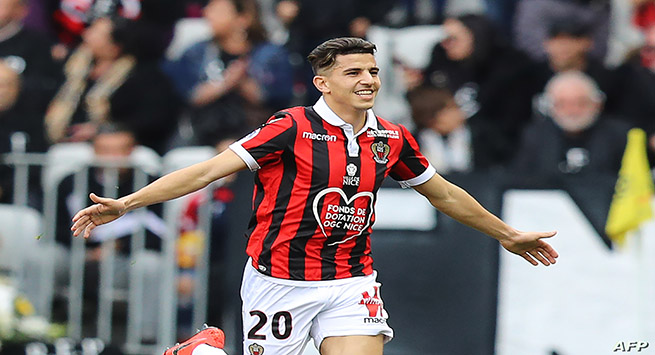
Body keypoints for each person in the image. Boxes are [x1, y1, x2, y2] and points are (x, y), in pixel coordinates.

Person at [71, 37, 558, 355]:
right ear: (323, 84)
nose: (368, 80)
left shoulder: (392, 137)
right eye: (354, 73)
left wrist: (507, 234)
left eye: (372, 71)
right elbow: (208, 171)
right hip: (279, 279)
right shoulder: (290, 126)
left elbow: (445, 195)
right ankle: (199, 351)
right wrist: (128, 203)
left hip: (352, 280)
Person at [163, 0, 294, 147]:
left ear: (242, 18)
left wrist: (243, 81)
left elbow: (278, 99)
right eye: (208, 9)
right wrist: (226, 82)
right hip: (202, 133)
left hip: (256, 133)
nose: (208, 14)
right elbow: (185, 95)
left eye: (218, 11)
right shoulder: (196, 52)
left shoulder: (271, 54)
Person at [44, 15, 181, 154]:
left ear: (115, 47)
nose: (86, 35)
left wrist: (100, 130)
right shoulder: (73, 68)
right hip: (68, 144)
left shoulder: (143, 76)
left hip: (123, 149)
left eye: (96, 33)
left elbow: (153, 119)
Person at [510, 70, 632, 187]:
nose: (572, 111)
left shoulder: (621, 135)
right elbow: (520, 179)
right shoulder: (535, 135)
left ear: (597, 104)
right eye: (562, 104)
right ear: (550, 107)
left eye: (581, 103)